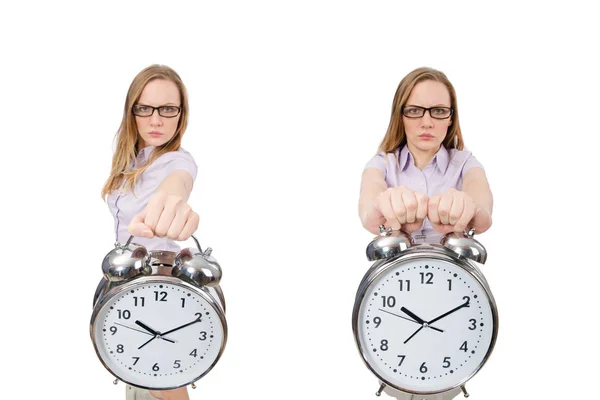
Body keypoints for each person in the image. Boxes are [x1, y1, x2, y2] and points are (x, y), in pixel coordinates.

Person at [101, 64, 198, 400]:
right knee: (138, 380)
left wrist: (172, 205)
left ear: (181, 115)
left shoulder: (176, 162)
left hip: (159, 286)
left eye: (168, 109)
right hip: (127, 285)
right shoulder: (130, 161)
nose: (156, 120)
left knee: (165, 385)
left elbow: (177, 185)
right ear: (133, 112)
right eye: (145, 108)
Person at [359, 67, 493, 244]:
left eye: (438, 111)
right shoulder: (381, 164)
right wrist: (380, 207)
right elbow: (368, 207)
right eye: (414, 111)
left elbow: (481, 202)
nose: (427, 123)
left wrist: (472, 208)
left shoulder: (466, 164)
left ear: (450, 118)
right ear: (400, 116)